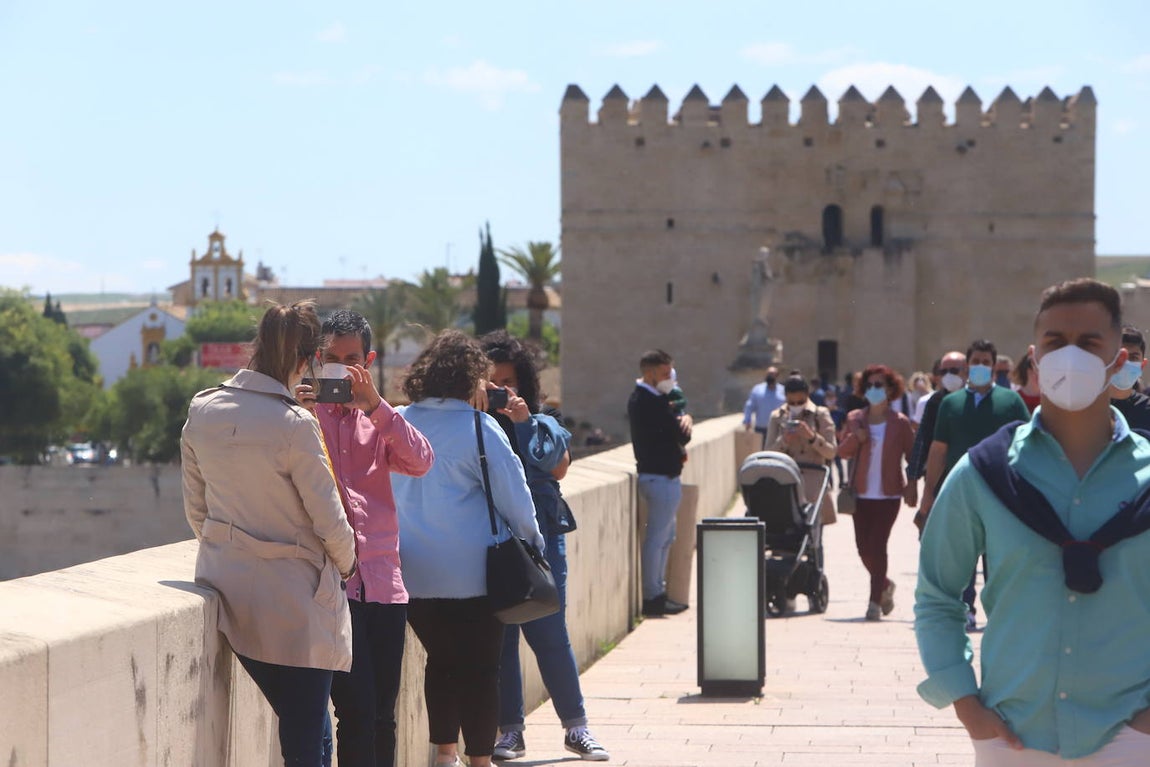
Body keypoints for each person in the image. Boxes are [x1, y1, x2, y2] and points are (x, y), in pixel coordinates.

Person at [915, 277, 1150, 765]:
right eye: (1055, 342)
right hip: (1013, 737)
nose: (1070, 356)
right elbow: (937, 596)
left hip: (1131, 737)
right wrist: (967, 705)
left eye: (1089, 343)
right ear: (1034, 358)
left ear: (1119, 361)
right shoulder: (984, 474)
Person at [182, 301, 357, 766]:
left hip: (229, 590)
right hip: (296, 603)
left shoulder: (203, 408)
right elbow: (329, 519)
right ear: (308, 359)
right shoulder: (295, 424)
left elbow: (197, 509)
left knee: (312, 730)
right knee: (307, 737)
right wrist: (348, 563)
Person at [391, 330, 545, 767]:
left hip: (412, 573)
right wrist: (534, 545)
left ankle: (444, 754)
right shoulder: (480, 428)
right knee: (480, 670)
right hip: (475, 573)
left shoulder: (397, 420)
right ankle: (479, 760)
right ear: (471, 377)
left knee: (440, 662)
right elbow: (516, 499)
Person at [295, 310, 435, 767]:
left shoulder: (378, 418)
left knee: (382, 715)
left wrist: (375, 406)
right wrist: (298, 414)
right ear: (319, 360)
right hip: (333, 585)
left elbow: (420, 461)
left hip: (384, 585)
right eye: (333, 359)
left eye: (352, 359)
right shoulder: (304, 418)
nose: (342, 368)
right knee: (355, 711)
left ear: (368, 362)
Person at [478, 332, 609, 763]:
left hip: (541, 543)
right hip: (491, 540)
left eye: (508, 382)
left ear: (524, 382)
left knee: (551, 634)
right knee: (502, 640)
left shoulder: (543, 420)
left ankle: (577, 727)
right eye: (492, 382)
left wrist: (523, 422)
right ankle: (510, 732)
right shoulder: (473, 424)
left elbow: (556, 465)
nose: (501, 390)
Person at [919, 340, 1030, 631]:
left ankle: (999, 610)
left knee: (998, 556)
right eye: (976, 361)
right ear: (968, 366)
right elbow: (938, 450)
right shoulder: (951, 403)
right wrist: (928, 493)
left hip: (1001, 493)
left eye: (986, 362)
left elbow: (1028, 444)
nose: (980, 366)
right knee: (962, 553)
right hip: (960, 492)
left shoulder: (1010, 402)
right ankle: (965, 607)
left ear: (993, 367)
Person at [836, 365, 917, 621]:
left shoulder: (900, 423)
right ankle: (884, 585)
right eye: (869, 385)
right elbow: (842, 452)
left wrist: (912, 484)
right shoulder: (855, 418)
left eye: (879, 385)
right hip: (860, 495)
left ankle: (873, 603)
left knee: (878, 546)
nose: (874, 389)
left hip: (888, 495)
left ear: (890, 390)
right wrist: (855, 438)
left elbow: (912, 456)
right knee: (863, 549)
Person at [629, 349, 692, 617]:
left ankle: (658, 591)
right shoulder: (649, 401)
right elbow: (680, 434)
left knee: (666, 538)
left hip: (662, 477)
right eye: (665, 374)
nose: (669, 379)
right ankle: (653, 596)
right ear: (650, 373)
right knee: (657, 540)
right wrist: (683, 420)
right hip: (660, 478)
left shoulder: (650, 399)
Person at [763, 376, 838, 527]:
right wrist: (784, 441)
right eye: (792, 403)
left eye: (800, 402)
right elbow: (768, 454)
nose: (796, 406)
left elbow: (831, 452)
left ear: (807, 396)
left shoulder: (820, 414)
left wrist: (812, 437)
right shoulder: (777, 417)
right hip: (786, 484)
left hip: (814, 485)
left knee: (814, 531)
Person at [906, 351, 967, 487]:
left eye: (954, 370)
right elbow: (923, 439)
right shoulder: (935, 401)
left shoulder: (977, 399)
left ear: (967, 371)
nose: (948, 375)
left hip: (969, 475)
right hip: (940, 476)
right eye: (943, 372)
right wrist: (912, 479)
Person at [1109, 325, 1150, 432]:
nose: (1126, 363)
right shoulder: (1088, 408)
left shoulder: (1147, 410)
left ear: (1142, 365)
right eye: (1120, 356)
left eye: (1133, 357)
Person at [743, 366, 784, 441]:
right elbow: (749, 406)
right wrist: (747, 421)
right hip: (761, 429)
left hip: (778, 430)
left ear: (777, 376)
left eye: (773, 374)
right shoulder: (757, 389)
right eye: (769, 374)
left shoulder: (783, 391)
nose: (770, 376)